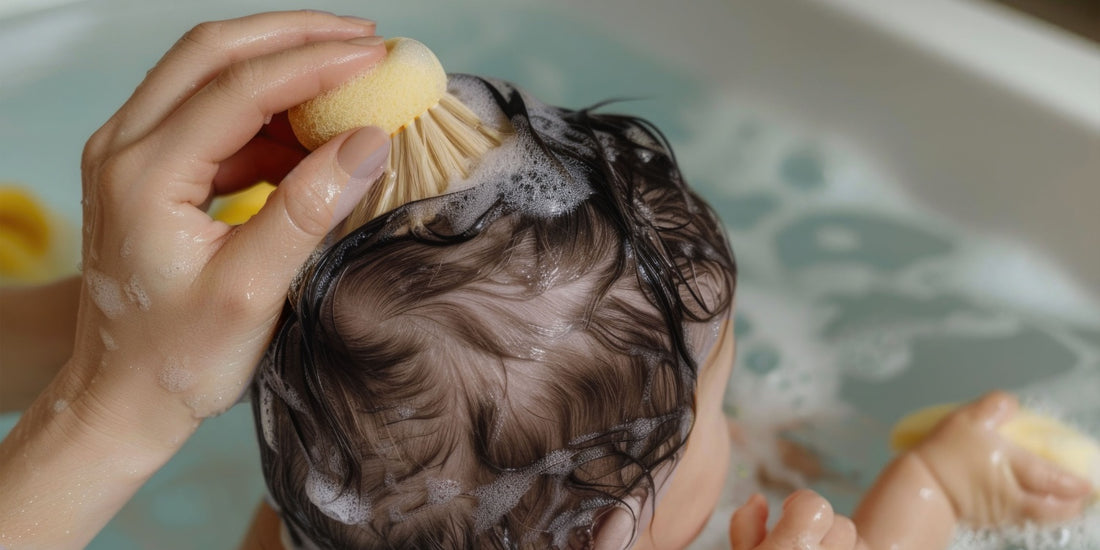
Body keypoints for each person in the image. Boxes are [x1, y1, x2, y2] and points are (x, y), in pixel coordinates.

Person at [0, 11, 1092, 550]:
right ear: (614, 528)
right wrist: (932, 492)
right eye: (713, 403)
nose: (729, 400)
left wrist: (100, 359)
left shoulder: (309, 517)